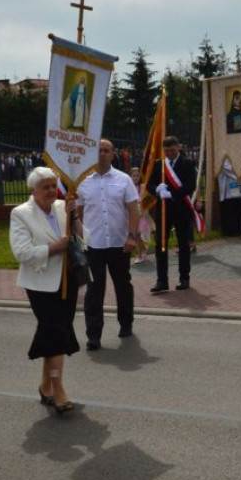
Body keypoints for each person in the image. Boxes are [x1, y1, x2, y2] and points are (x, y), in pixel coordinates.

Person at [9, 167, 81, 415]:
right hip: (40, 284)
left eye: (53, 186)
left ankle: (44, 386)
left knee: (55, 334)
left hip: (67, 281)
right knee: (55, 333)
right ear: (33, 190)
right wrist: (53, 248)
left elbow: (84, 240)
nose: (52, 191)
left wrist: (76, 218)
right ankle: (58, 389)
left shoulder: (63, 207)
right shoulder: (21, 214)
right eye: (46, 187)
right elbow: (22, 252)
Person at [76, 139, 140, 350]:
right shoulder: (83, 182)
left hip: (119, 243)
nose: (102, 154)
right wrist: (78, 238)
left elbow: (132, 209)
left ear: (113, 154)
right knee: (94, 290)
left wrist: (131, 236)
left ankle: (126, 323)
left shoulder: (124, 180)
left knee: (123, 285)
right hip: (93, 246)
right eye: (98, 151)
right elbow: (79, 214)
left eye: (106, 151)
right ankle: (93, 335)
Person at [147, 136, 198, 292]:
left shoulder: (188, 163)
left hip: (181, 209)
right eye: (167, 150)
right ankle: (162, 280)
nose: (169, 153)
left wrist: (173, 194)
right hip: (163, 210)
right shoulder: (158, 165)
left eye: (172, 150)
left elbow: (191, 185)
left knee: (183, 245)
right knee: (160, 246)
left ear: (178, 147)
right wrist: (157, 189)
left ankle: (184, 278)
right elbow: (149, 183)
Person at [129, 167, 154, 263]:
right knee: (135, 235)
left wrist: (141, 202)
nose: (135, 178)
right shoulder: (128, 186)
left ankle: (140, 255)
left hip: (141, 214)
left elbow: (146, 199)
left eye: (137, 176)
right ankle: (142, 250)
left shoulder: (142, 186)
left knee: (138, 234)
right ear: (130, 177)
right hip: (132, 214)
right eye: (133, 176)